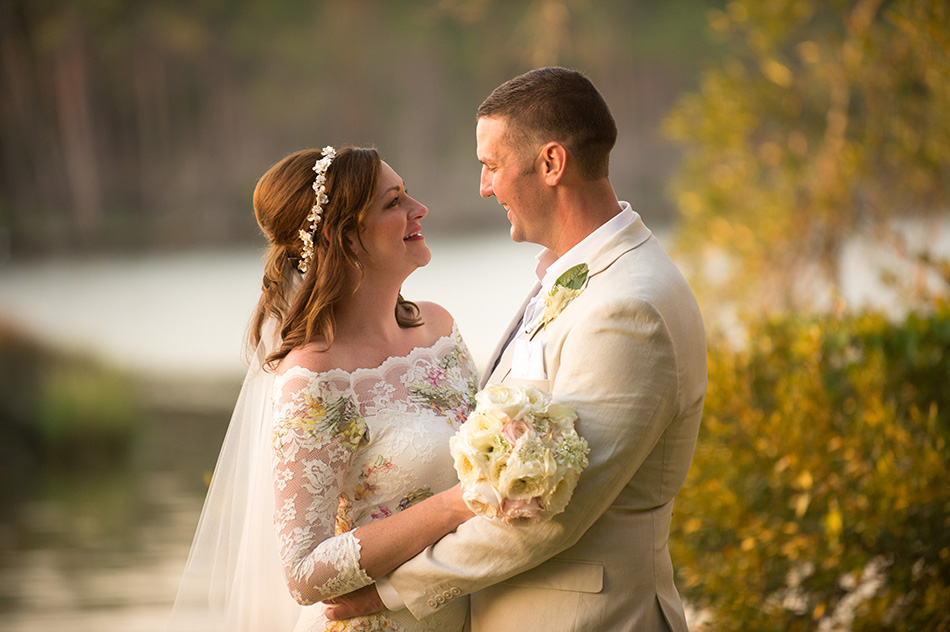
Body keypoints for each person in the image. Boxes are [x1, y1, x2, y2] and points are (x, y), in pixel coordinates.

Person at [326, 67, 707, 631]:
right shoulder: (578, 278)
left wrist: (390, 592)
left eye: (492, 164)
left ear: (551, 164)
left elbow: (552, 516)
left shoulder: (628, 310)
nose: (484, 186)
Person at [169, 146, 479, 632]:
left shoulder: (438, 329)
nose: (419, 209)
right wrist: (455, 505)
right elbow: (304, 571)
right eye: (393, 202)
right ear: (345, 237)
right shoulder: (315, 377)